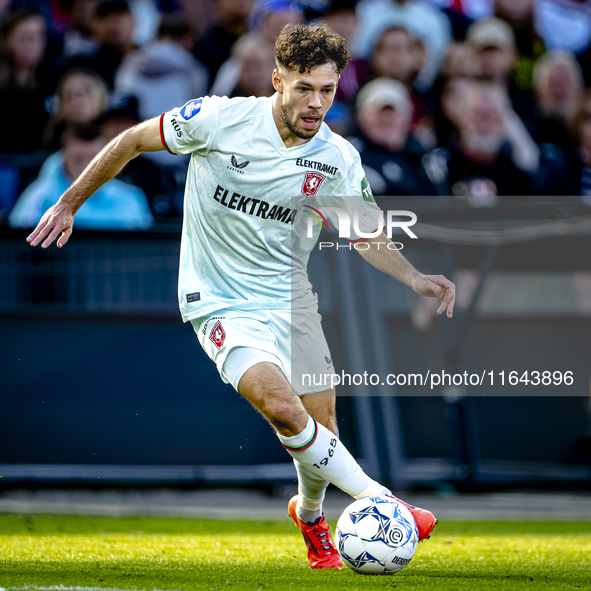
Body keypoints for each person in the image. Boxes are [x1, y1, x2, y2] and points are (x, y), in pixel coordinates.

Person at [26, 23, 455, 570]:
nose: (316, 102)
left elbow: (365, 235)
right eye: (304, 87)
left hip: (292, 299)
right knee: (281, 407)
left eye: (327, 90)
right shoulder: (219, 119)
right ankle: (382, 500)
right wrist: (68, 203)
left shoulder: (338, 158)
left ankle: (311, 517)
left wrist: (414, 277)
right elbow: (133, 140)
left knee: (321, 429)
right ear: (277, 81)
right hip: (220, 298)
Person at [10, 123, 153, 230]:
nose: (86, 169)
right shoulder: (38, 197)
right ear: (63, 156)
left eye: (94, 160)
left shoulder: (131, 198)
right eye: (78, 160)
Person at [349, 78, 441, 196]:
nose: (387, 118)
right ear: (360, 116)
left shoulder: (426, 158)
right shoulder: (350, 157)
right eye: (378, 111)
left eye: (394, 111)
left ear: (408, 116)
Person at [115, 15, 209, 121]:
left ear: (157, 37)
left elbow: (121, 92)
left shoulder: (132, 59)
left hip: (136, 127)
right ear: (188, 40)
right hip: (174, 130)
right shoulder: (195, 69)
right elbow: (198, 108)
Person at [0, 9, 53, 152]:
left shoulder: (54, 80)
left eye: (36, 37)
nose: (30, 44)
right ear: (7, 40)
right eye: (24, 37)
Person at [43, 68, 109, 151]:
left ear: (101, 97)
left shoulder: (115, 133)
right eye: (69, 95)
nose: (78, 101)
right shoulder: (52, 139)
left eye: (87, 91)